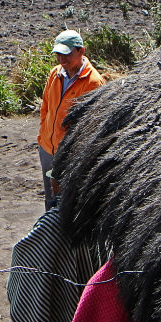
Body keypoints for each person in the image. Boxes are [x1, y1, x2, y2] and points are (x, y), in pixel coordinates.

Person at [36, 30, 103, 211]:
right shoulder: (54, 74)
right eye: (58, 54)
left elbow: (92, 126)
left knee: (68, 204)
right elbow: (46, 107)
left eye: (66, 54)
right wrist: (44, 135)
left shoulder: (93, 83)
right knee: (51, 202)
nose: (62, 60)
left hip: (70, 155)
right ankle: (49, 237)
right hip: (48, 149)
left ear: (81, 51)